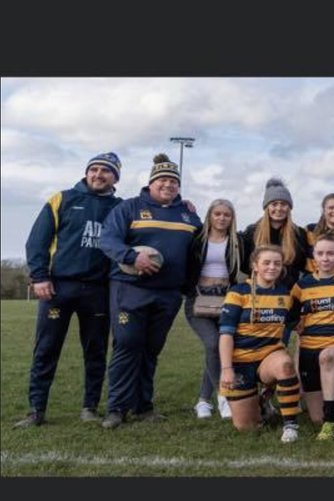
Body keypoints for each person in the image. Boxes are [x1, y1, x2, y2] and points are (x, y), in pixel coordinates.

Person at [15, 152, 123, 428]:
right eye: (94, 169)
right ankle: (36, 410)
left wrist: (182, 204)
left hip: (99, 291)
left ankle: (89, 407)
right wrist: (39, 276)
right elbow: (37, 241)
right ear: (87, 172)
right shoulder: (62, 199)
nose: (99, 174)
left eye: (106, 171)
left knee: (96, 351)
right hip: (59, 288)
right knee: (46, 350)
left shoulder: (121, 207)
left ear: (115, 177)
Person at [98, 153, 202, 429]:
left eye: (173, 181)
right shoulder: (129, 208)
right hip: (129, 290)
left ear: (179, 186)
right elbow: (107, 240)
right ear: (151, 182)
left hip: (168, 294)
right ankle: (116, 408)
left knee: (150, 350)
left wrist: (190, 285)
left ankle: (143, 406)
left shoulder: (188, 214)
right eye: (162, 180)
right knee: (127, 345)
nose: (167, 185)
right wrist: (133, 258)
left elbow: (199, 250)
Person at [217, 245, 304, 443]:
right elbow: (225, 335)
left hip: (269, 354)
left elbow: (296, 323)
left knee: (284, 365)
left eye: (277, 263)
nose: (272, 267)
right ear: (255, 266)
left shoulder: (285, 294)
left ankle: (290, 425)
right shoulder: (238, 292)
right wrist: (226, 369)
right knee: (246, 427)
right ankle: (262, 402)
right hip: (240, 359)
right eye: (266, 263)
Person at [291, 234, 334, 439]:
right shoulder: (302, 286)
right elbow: (291, 314)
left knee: (328, 357)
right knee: (315, 418)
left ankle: (332, 423)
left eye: (331, 253)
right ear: (314, 256)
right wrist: (296, 323)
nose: (325, 258)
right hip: (309, 350)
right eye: (320, 253)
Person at [185, 199, 243, 420]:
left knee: (220, 349)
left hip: (226, 302)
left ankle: (202, 401)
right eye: (217, 214)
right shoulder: (196, 238)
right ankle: (223, 395)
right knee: (212, 344)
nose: (221, 218)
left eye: (226, 215)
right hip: (197, 301)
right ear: (210, 215)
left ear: (232, 218)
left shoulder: (238, 241)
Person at [241, 178, 307, 291]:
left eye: (283, 204)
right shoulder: (252, 232)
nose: (279, 208)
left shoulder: (298, 234)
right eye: (274, 204)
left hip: (288, 293)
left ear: (289, 208)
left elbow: (302, 264)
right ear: (267, 207)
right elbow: (245, 265)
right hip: (257, 292)